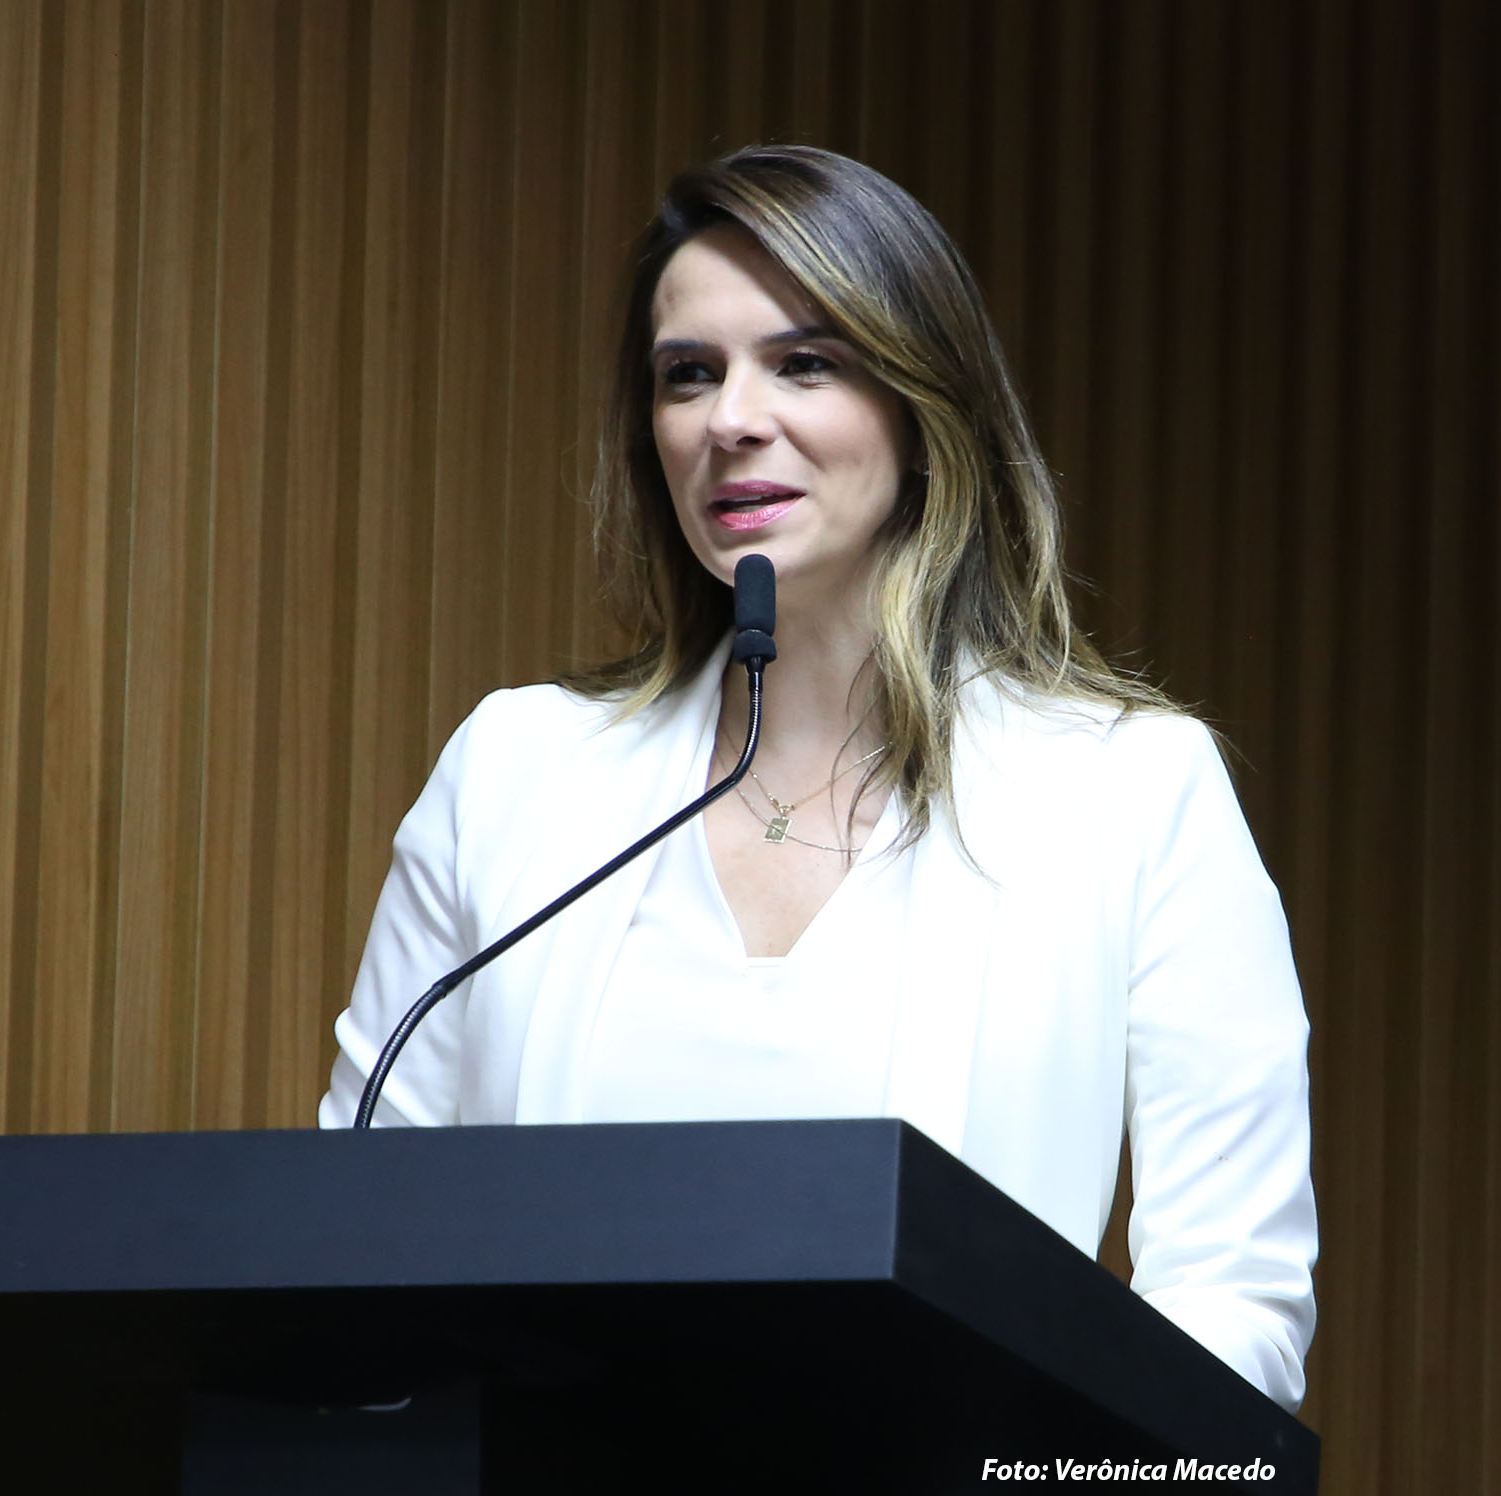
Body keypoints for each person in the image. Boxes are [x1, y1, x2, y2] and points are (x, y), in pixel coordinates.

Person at [318, 146, 1316, 1411]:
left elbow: (1232, 1308)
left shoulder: (1126, 789)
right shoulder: (514, 769)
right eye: (688, 374)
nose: (729, 419)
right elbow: (351, 1246)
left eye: (801, 362)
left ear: (921, 409)